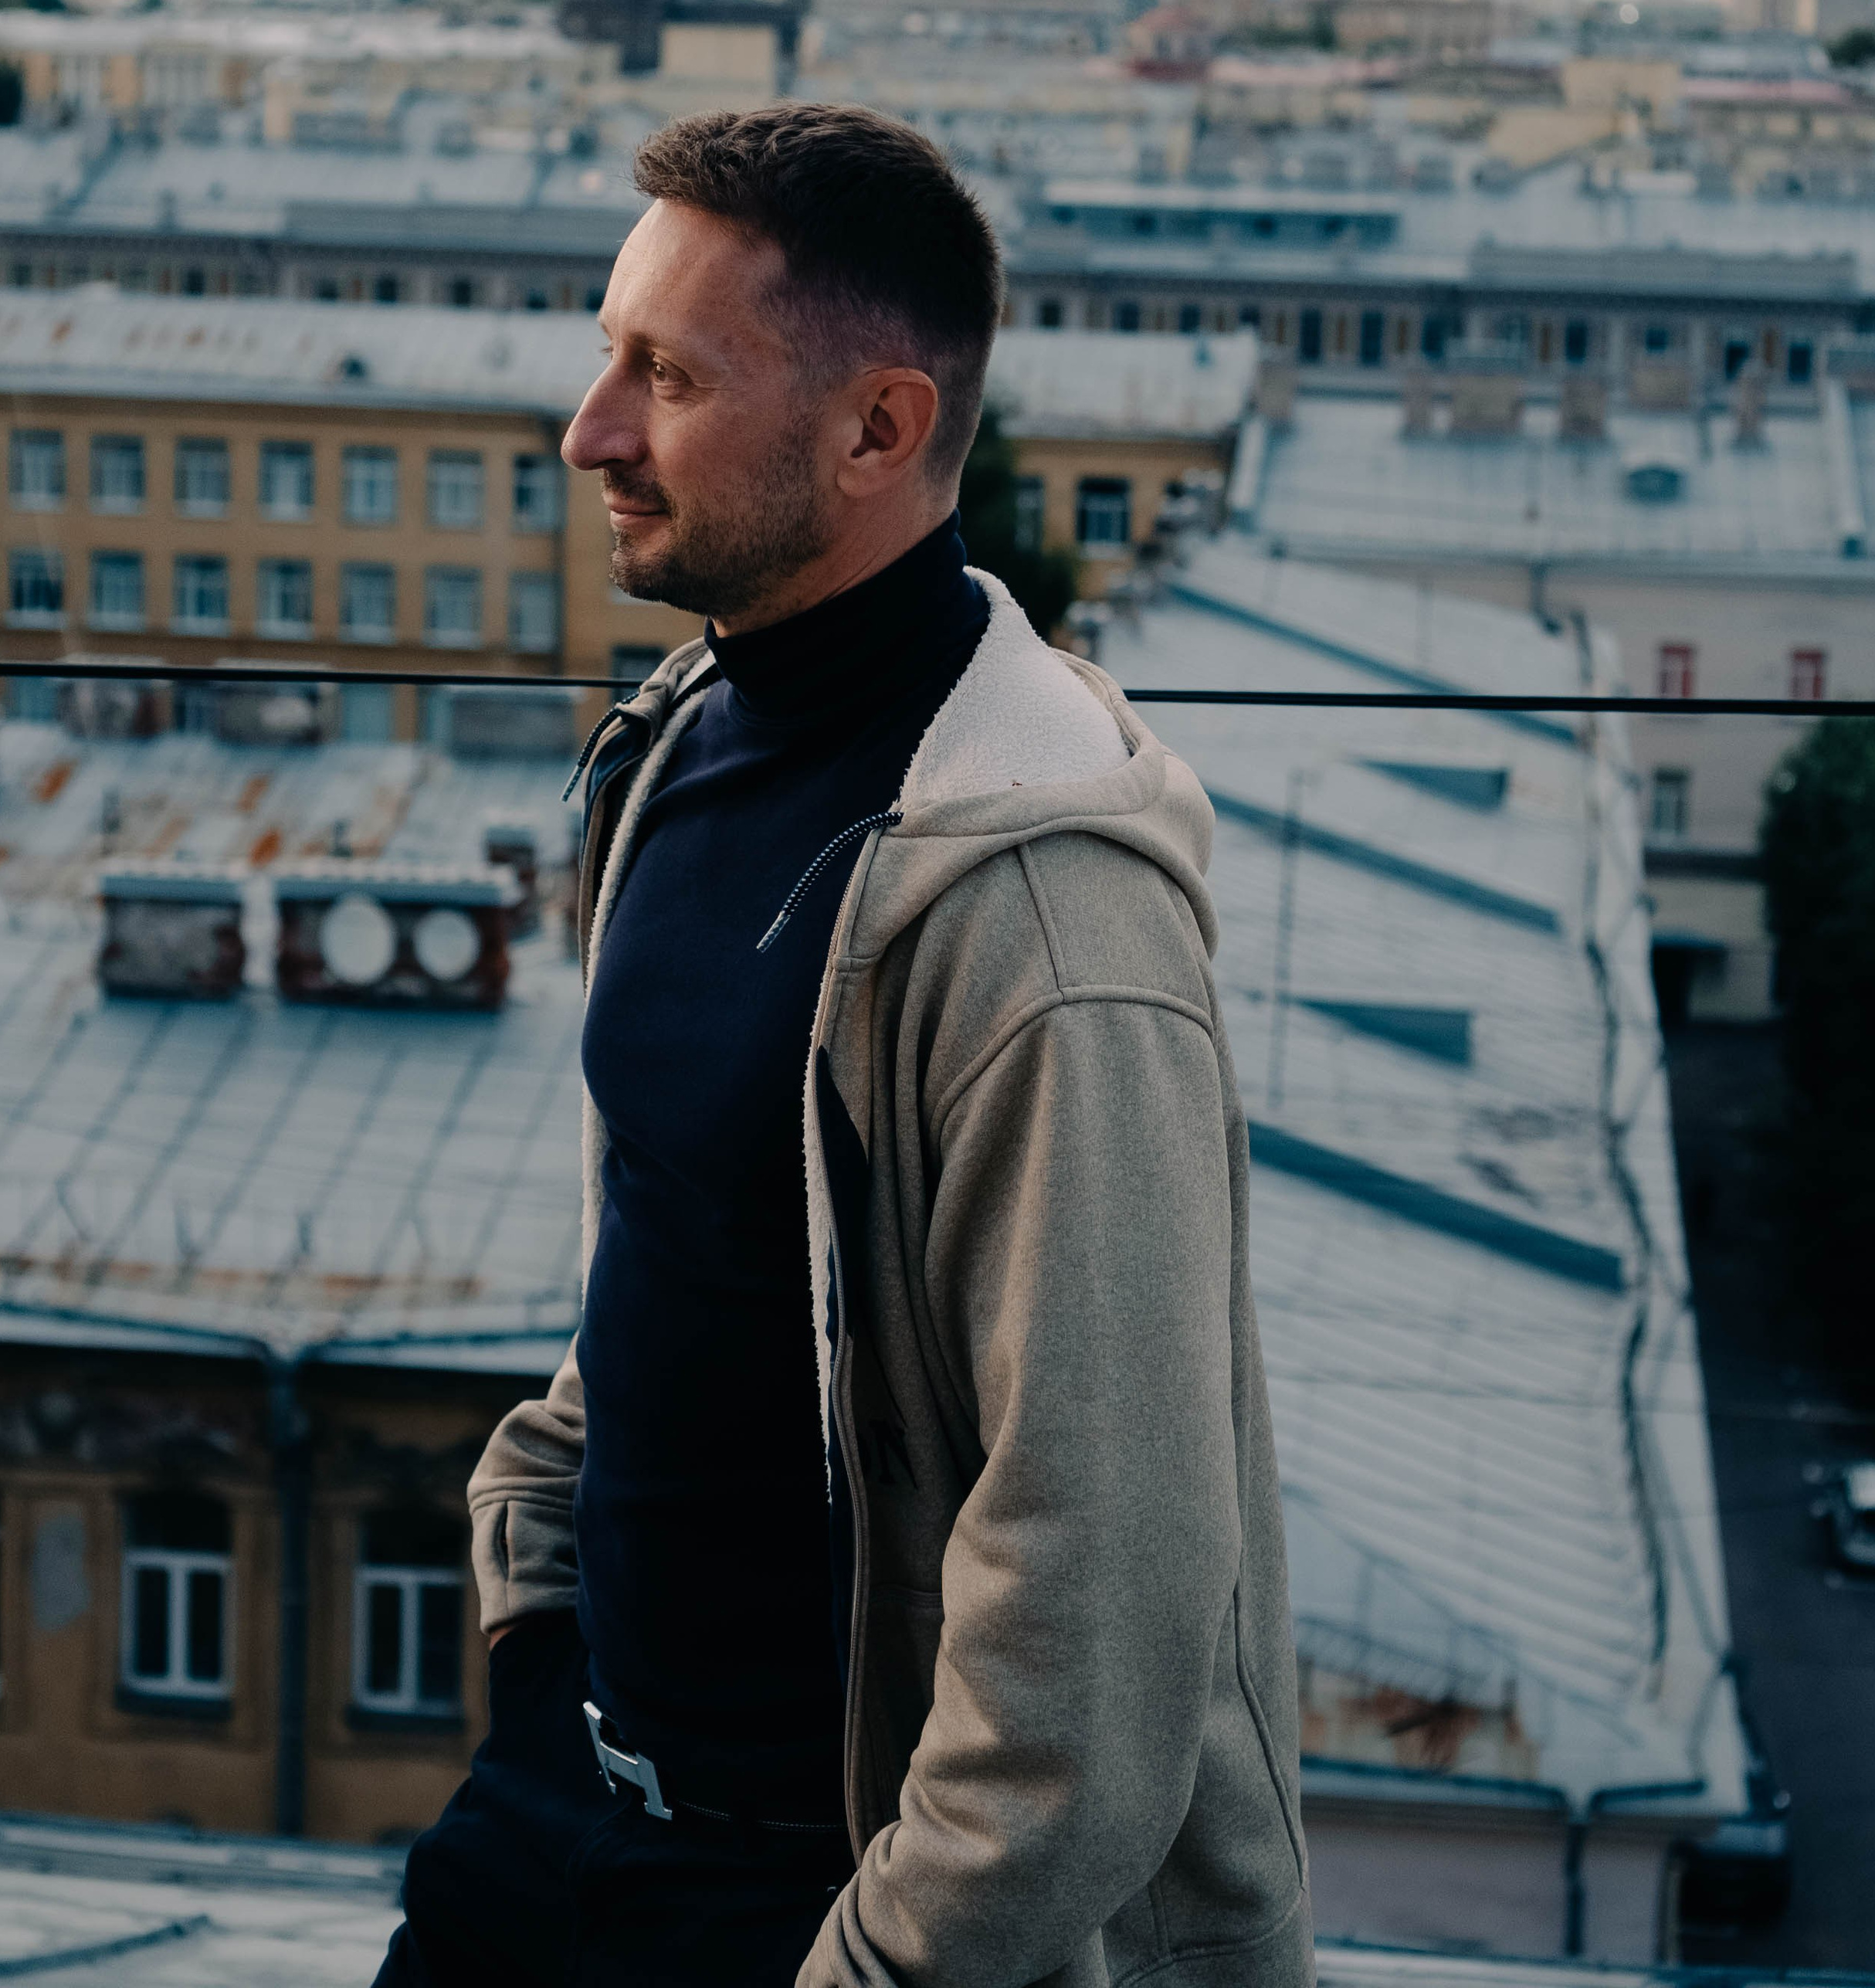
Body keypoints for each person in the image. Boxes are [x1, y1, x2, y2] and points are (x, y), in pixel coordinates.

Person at [376, 105, 1308, 1988]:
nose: (590, 431)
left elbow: (1098, 1606)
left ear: (878, 430)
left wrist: (874, 1958)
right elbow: (684, 1249)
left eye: (666, 375)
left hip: (823, 1903)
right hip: (574, 1807)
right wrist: (536, 1587)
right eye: (604, 351)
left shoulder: (1045, 927)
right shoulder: (687, 733)